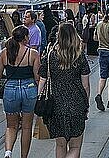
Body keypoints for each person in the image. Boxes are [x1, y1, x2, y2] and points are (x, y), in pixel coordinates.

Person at [38, 22, 90, 158]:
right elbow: (85, 85)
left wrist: (39, 99)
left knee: (60, 145)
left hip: (55, 106)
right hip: (76, 104)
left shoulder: (50, 56)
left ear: (59, 37)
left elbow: (42, 80)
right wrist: (86, 103)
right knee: (75, 146)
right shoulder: (80, 56)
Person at [0, 26, 40, 158]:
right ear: (25, 38)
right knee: (27, 127)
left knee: (11, 126)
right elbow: (37, 77)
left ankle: (8, 152)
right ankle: (23, 156)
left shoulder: (5, 53)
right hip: (29, 89)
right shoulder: (32, 54)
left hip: (10, 90)